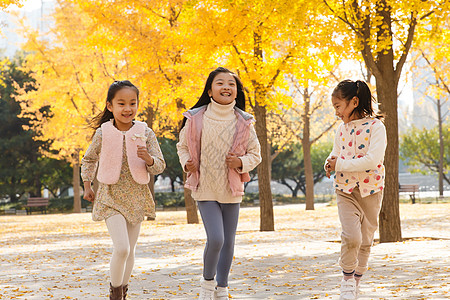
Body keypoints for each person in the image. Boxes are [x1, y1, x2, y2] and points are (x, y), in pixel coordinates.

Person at [177, 67, 261, 300]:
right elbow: (182, 147)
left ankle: (222, 289)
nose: (226, 87)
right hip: (205, 187)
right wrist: (187, 163)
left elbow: (256, 154)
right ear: (210, 90)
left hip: (231, 188)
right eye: (220, 83)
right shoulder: (196, 118)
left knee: (229, 242)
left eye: (231, 84)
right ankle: (207, 285)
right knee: (216, 239)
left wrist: (240, 161)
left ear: (237, 91)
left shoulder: (244, 122)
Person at [81, 80, 165, 300]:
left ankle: (122, 292)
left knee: (131, 250)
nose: (127, 108)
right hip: (110, 197)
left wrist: (148, 159)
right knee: (122, 248)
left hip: (136, 196)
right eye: (121, 103)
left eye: (132, 103)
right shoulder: (104, 132)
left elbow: (160, 164)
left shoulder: (145, 131)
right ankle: (115, 294)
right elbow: (89, 159)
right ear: (110, 106)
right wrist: (87, 185)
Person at [325, 79, 386, 300]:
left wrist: (339, 163)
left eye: (338, 107)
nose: (337, 113)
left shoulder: (376, 128)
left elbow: (372, 161)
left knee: (366, 240)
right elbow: (335, 153)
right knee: (351, 236)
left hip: (371, 190)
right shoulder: (342, 128)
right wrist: (329, 162)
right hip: (345, 189)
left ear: (354, 102)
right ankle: (347, 279)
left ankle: (357, 281)